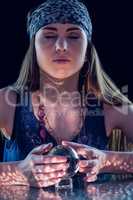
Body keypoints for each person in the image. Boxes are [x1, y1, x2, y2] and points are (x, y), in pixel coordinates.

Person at [0, 0, 133, 188]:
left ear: (87, 49)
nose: (61, 45)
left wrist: (107, 161)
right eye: (49, 35)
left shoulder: (110, 107)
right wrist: (19, 172)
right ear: (33, 48)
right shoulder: (8, 102)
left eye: (73, 36)